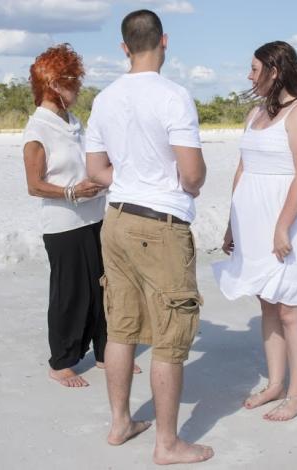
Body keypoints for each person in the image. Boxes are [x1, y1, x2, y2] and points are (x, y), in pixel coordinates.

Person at [85, 10, 213, 464]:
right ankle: (167, 443)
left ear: (124, 47)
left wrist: (134, 175)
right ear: (164, 40)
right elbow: (193, 173)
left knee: (120, 326)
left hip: (116, 218)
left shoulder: (104, 98)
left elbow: (96, 172)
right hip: (160, 222)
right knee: (169, 334)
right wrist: (182, 181)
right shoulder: (173, 96)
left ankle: (120, 422)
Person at [212, 41, 297, 421]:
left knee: (291, 307)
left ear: (275, 70)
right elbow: (242, 169)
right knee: (267, 302)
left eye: (255, 69)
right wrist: (232, 223)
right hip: (253, 220)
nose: (249, 76)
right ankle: (276, 383)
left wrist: (283, 227)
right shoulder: (255, 113)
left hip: (290, 219)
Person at [23, 44, 122, 388]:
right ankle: (61, 361)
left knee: (104, 289)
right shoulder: (38, 129)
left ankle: (105, 353)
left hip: (96, 217)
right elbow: (34, 185)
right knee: (70, 294)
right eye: (72, 81)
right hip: (64, 225)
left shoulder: (74, 122)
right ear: (53, 83)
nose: (78, 86)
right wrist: (70, 192)